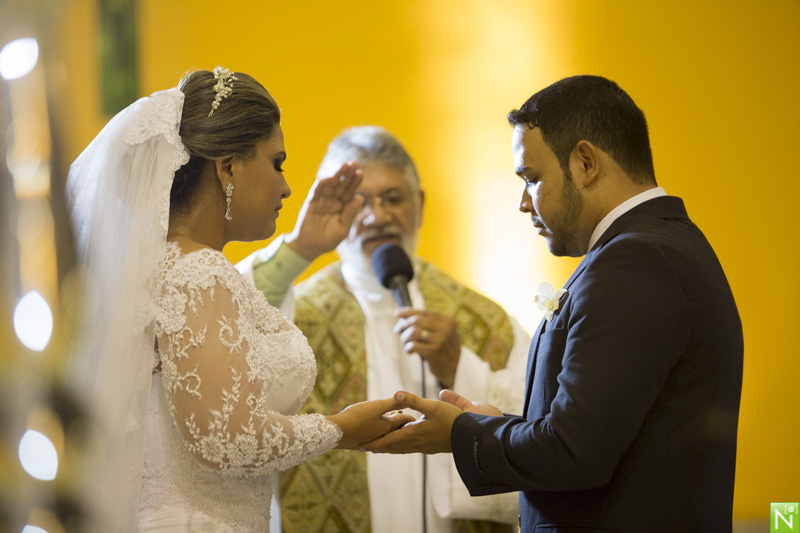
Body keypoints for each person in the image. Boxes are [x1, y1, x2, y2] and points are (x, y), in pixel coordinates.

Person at [362, 75, 744, 532]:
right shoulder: (661, 244)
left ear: (585, 162)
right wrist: (497, 425)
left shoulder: (635, 261)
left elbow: (574, 452)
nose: (524, 202)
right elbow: (601, 430)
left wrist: (461, 434)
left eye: (532, 178)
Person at [64, 67, 411, 532]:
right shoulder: (199, 274)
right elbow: (225, 439)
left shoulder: (166, 267)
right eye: (277, 163)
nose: (286, 186)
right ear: (227, 166)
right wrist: (342, 429)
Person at [236, 126, 530, 532]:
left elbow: (538, 431)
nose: (377, 216)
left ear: (421, 204)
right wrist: (301, 247)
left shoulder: (483, 318)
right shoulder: (295, 313)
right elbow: (226, 325)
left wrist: (460, 368)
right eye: (358, 202)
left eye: (392, 198)